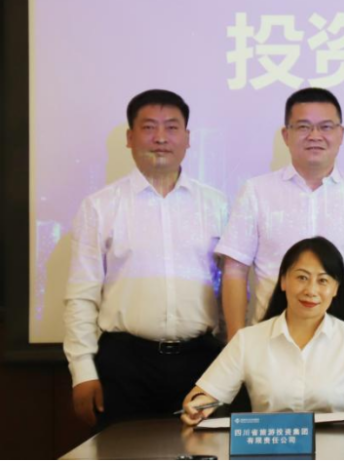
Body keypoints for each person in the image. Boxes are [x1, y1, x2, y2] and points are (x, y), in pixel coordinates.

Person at [64, 90, 228, 428]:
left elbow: (232, 288)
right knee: (123, 450)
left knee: (204, 450)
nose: (161, 138)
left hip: (202, 362)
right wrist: (82, 370)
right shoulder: (100, 206)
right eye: (149, 127)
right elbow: (81, 295)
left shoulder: (217, 205)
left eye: (172, 127)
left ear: (187, 138)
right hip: (125, 364)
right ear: (130, 138)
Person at [217, 88, 344, 354]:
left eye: (325, 127)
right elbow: (235, 270)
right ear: (286, 135)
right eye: (303, 127)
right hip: (271, 341)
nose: (315, 136)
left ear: (341, 134)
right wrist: (235, 342)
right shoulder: (256, 191)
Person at [180, 237, 344, 424]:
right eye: (302, 278)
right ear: (283, 281)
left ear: (336, 289)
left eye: (323, 281)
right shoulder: (248, 340)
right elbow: (201, 395)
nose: (311, 290)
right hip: (268, 450)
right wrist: (198, 404)